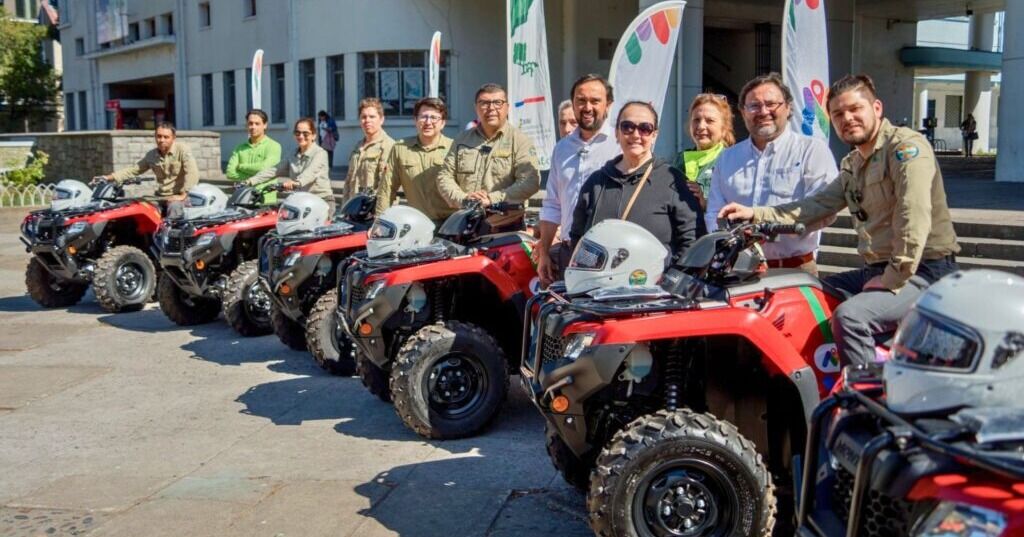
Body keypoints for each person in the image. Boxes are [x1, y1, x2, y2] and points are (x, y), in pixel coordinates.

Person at [718, 74, 960, 367]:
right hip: (876, 268)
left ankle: (861, 404)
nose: (848, 118)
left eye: (855, 109)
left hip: (921, 272)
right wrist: (756, 214)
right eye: (838, 114)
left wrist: (892, 278)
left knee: (851, 318)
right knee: (805, 295)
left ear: (877, 108)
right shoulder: (851, 165)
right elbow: (814, 206)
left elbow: (914, 216)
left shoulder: (906, 148)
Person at [705, 73, 838, 275]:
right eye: (754, 106)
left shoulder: (812, 151)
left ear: (788, 107)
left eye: (771, 104)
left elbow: (824, 209)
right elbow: (714, 212)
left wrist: (774, 226)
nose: (763, 111)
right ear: (743, 112)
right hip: (736, 272)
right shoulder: (727, 158)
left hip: (795, 270)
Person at [569, 101, 704, 268]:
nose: (635, 134)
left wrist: (669, 279)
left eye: (645, 128)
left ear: (654, 135)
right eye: (627, 127)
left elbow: (692, 241)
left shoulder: (673, 181)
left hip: (654, 290)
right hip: (597, 289)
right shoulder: (596, 182)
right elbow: (577, 238)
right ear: (617, 133)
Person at [536, 74, 621, 287]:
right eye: (581, 101)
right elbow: (553, 204)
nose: (587, 107)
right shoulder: (562, 148)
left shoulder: (620, 145)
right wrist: (544, 251)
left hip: (608, 256)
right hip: (568, 252)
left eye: (595, 101)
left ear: (608, 105)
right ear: (573, 104)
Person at [436, 83, 540, 230]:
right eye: (484, 103)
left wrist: (492, 199)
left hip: (505, 226)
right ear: (476, 107)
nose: (491, 108)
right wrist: (464, 199)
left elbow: (530, 181)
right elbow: (444, 176)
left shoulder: (519, 141)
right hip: (465, 224)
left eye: (497, 103)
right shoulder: (462, 140)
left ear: (507, 107)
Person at [376, 97, 456, 226]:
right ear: (415, 120)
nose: (428, 122)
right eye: (423, 117)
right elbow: (387, 189)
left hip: (451, 224)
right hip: (418, 224)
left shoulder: (454, 148)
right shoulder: (400, 148)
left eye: (434, 118)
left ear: (443, 123)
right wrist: (380, 223)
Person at [96, 121, 198, 216]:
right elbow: (134, 169)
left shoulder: (182, 150)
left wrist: (183, 194)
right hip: (160, 196)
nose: (161, 140)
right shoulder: (151, 155)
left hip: (179, 196)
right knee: (135, 206)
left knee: (174, 207)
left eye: (166, 137)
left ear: (173, 138)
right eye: (159, 136)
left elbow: (192, 173)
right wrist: (108, 177)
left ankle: (171, 234)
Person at [246, 117, 334, 213]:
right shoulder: (292, 154)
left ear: (313, 135)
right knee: (269, 214)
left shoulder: (320, 153)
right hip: (301, 201)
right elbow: (274, 170)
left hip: (321, 201)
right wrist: (250, 181)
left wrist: (296, 183)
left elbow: (310, 173)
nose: (301, 136)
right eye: (297, 133)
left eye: (305, 133)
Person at [675, 93, 736, 211]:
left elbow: (740, 206)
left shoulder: (731, 161)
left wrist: (704, 203)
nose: (701, 126)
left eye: (710, 121)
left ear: (724, 128)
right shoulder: (678, 160)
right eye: (696, 120)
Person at [341, 98, 395, 205]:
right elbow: (349, 181)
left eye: (372, 117)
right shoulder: (358, 146)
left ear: (381, 119)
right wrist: (345, 209)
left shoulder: (388, 145)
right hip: (355, 210)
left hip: (374, 211)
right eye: (363, 117)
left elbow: (385, 186)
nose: (367, 121)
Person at [225, 109, 282, 203]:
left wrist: (241, 166)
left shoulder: (274, 146)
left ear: (265, 125)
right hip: (242, 198)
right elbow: (230, 173)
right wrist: (255, 174)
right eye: (250, 123)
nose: (253, 127)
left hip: (265, 200)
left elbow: (265, 169)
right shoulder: (239, 148)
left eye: (257, 123)